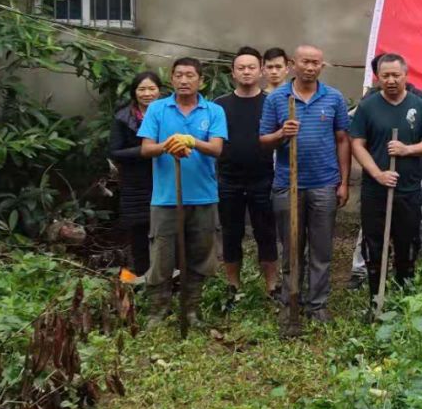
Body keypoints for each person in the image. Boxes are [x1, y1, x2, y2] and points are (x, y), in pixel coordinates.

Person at [260, 45, 350, 325]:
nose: (310, 67)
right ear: (292, 64)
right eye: (305, 62)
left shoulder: (333, 98)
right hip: (288, 184)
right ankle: (291, 301)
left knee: (321, 249)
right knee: (291, 247)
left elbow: (342, 140)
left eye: (316, 63)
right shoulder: (277, 98)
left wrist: (344, 182)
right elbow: (263, 141)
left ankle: (318, 304)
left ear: (322, 66)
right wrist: (281, 133)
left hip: (324, 184)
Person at [138, 57, 227, 328]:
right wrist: (168, 144)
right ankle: (158, 312)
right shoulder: (157, 109)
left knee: (200, 257)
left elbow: (216, 148)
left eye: (190, 75)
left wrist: (191, 141)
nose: (184, 80)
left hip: (203, 196)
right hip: (165, 198)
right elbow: (145, 149)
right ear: (172, 79)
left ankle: (191, 311)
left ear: (201, 80)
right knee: (162, 256)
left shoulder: (213, 111)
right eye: (179, 75)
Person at [348, 54, 422, 289]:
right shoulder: (367, 106)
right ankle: (376, 297)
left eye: (396, 75)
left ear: (406, 75)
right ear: (378, 77)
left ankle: (404, 295)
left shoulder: (419, 106)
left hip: (409, 188)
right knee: (373, 244)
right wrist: (377, 174)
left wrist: (407, 149)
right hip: (376, 190)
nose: (391, 80)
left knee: (408, 243)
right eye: (386, 76)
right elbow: (357, 144)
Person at [216, 46, 278, 304]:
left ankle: (272, 287)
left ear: (261, 71)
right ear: (233, 73)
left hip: (263, 178)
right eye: (241, 67)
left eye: (251, 67)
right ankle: (233, 286)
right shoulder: (219, 105)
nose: (246, 72)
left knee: (266, 232)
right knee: (231, 233)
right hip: (228, 179)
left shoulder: (270, 103)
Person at [109, 70, 162, 282]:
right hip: (135, 183)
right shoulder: (122, 118)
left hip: (164, 179)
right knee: (139, 231)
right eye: (142, 89)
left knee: (166, 231)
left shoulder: (170, 114)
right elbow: (114, 151)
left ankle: (168, 277)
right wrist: (144, 151)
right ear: (134, 92)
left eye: (152, 89)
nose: (147, 93)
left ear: (160, 91)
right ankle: (142, 276)